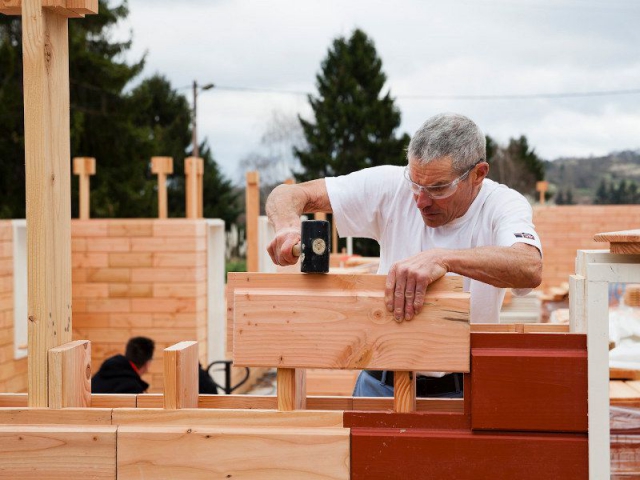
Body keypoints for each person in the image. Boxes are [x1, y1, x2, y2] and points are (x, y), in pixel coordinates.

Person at [266, 112, 542, 398]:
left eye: (438, 188)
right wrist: (286, 226)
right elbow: (287, 195)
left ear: (478, 174)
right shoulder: (390, 184)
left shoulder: (502, 204)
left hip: (461, 391)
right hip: (379, 384)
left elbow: (529, 266)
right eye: (415, 184)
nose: (421, 201)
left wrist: (442, 259)